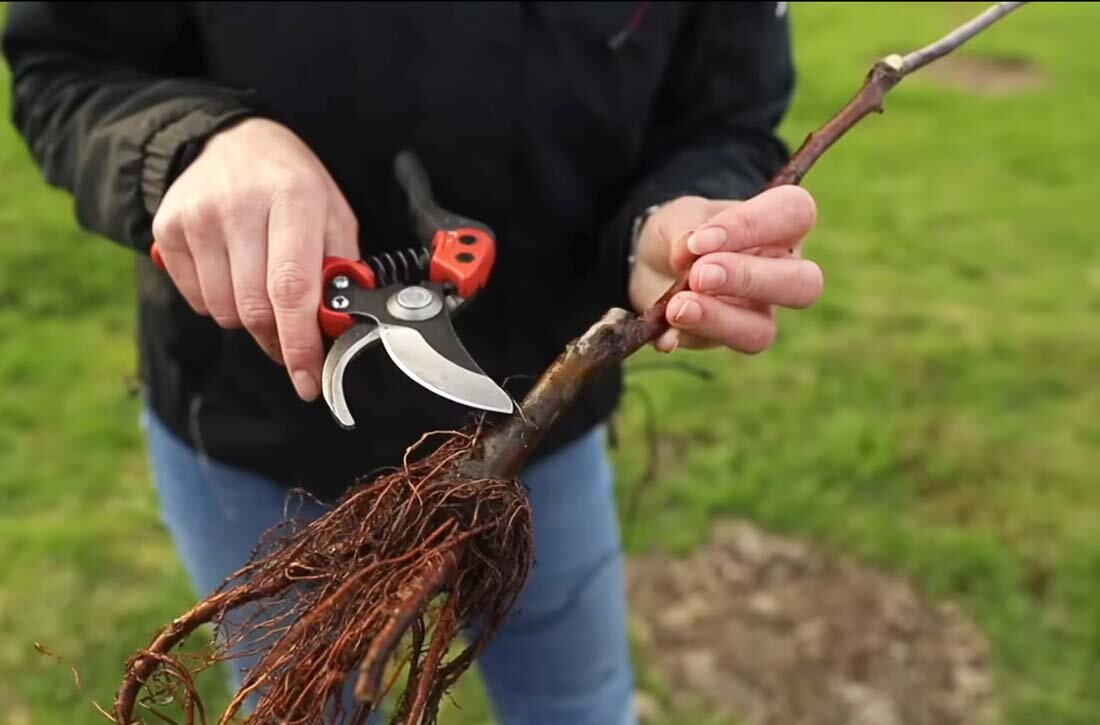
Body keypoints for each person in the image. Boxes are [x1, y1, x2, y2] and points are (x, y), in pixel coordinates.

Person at [3, 3, 823, 723]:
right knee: (298, 706)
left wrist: (678, 220)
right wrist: (199, 142)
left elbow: (726, 116)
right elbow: (65, 66)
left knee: (577, 707)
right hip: (249, 440)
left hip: (540, 439)